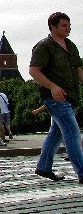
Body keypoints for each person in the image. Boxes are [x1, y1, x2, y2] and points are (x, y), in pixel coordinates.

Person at [29, 12, 83, 183]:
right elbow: (34, 70)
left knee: (57, 133)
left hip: (71, 96)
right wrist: (52, 87)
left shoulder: (71, 46)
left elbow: (79, 71)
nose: (68, 28)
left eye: (69, 25)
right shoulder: (44, 46)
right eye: (64, 25)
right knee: (72, 132)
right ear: (53, 27)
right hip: (55, 98)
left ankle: (44, 167)